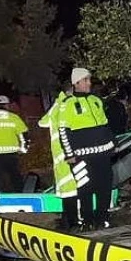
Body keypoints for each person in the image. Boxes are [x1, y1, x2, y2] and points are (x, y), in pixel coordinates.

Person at [55, 68, 115, 231]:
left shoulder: (96, 100)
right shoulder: (67, 104)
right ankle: (87, 222)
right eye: (85, 80)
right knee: (85, 189)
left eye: (89, 79)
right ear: (76, 83)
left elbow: (105, 124)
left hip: (102, 153)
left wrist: (112, 144)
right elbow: (63, 131)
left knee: (105, 187)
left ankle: (102, 219)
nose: (89, 83)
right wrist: (69, 154)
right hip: (81, 156)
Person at [39, 85, 80, 231]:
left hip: (58, 156)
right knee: (72, 188)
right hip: (70, 153)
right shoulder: (69, 105)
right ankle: (73, 222)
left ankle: (66, 221)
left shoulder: (57, 106)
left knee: (66, 189)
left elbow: (42, 122)